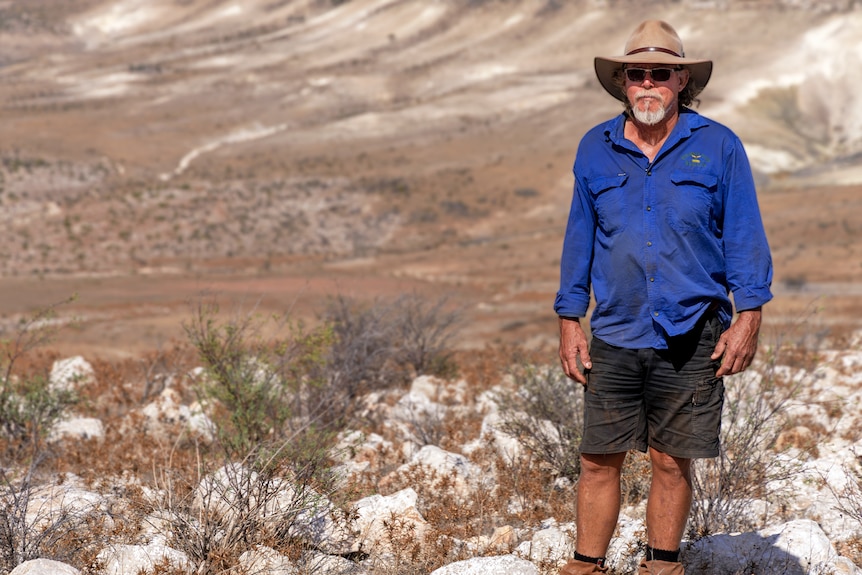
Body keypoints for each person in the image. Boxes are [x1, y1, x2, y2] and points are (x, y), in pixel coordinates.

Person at [554, 20, 773, 575]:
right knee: (597, 457)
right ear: (622, 82)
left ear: (681, 80)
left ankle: (662, 567)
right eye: (636, 74)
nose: (647, 84)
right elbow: (579, 236)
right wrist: (569, 318)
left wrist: (748, 316)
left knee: (671, 461)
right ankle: (585, 566)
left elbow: (744, 233)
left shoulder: (718, 146)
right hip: (616, 329)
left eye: (660, 73)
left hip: (693, 327)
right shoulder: (595, 148)